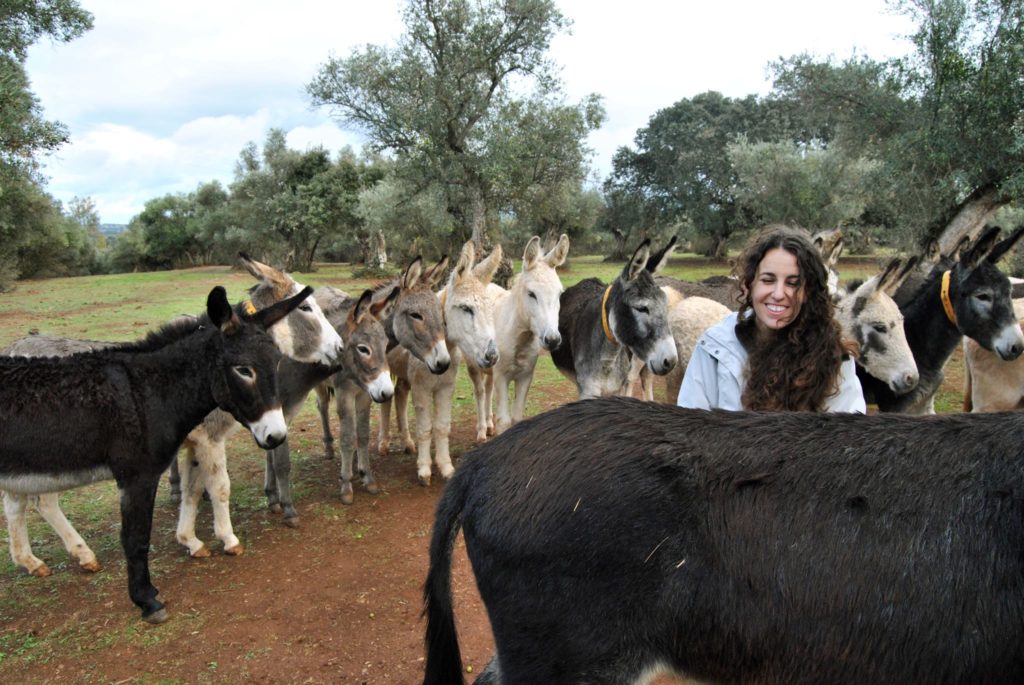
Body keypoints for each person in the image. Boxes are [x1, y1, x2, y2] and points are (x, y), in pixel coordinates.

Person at [677, 225, 865, 413]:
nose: (778, 294)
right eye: (768, 280)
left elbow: (848, 434)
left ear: (807, 292)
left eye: (793, 283)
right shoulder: (714, 347)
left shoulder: (833, 356)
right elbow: (690, 427)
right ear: (749, 284)